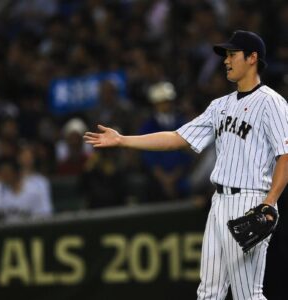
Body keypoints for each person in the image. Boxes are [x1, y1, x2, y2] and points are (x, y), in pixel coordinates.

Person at [83, 30, 288, 300]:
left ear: (252, 58)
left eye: (232, 55)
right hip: (219, 201)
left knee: (247, 294)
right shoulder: (220, 106)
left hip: (250, 200)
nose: (226, 61)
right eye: (225, 55)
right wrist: (123, 140)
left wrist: (270, 201)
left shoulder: (272, 102)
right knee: (208, 292)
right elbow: (176, 138)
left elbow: (284, 155)